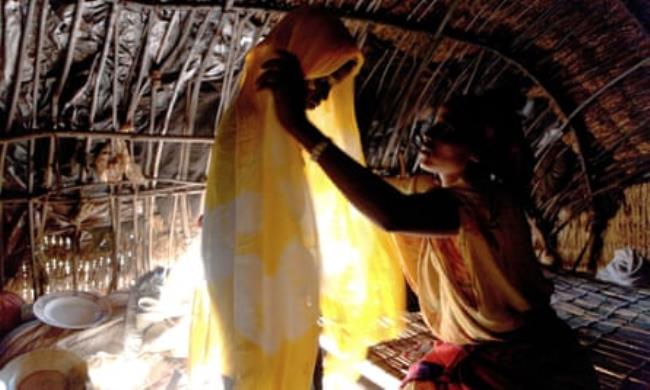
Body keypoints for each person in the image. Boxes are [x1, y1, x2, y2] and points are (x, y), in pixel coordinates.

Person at [258, 49, 599, 389]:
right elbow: (361, 187)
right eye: (433, 125)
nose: (429, 135)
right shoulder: (437, 191)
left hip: (522, 362)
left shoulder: (480, 204)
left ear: (477, 149)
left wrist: (298, 126)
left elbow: (390, 213)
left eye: (447, 130)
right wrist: (317, 114)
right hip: (501, 347)